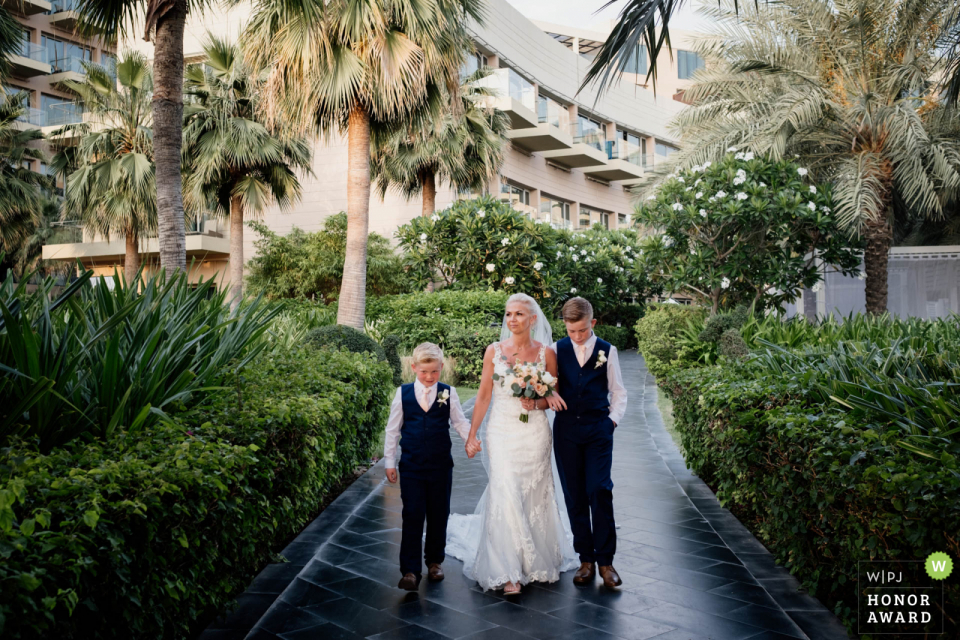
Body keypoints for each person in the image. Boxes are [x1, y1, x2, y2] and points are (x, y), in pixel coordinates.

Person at [446, 293, 579, 595]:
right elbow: (483, 396)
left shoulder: (547, 353)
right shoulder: (493, 350)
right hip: (502, 430)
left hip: (534, 433)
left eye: (519, 314)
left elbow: (553, 397)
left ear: (533, 319)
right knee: (505, 489)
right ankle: (508, 571)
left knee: (533, 492)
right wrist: (472, 433)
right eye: (508, 314)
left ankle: (534, 561)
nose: (512, 319)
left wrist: (537, 402)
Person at [549, 297, 627, 589]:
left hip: (598, 430)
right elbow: (549, 387)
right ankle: (586, 560)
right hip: (566, 432)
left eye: (582, 330)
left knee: (599, 490)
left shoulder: (608, 350)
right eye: (572, 331)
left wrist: (610, 423)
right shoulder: (557, 349)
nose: (577, 336)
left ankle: (606, 562)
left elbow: (619, 392)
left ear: (592, 323)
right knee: (575, 495)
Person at [383, 342, 471, 591]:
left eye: (434, 372)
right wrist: (390, 462)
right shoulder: (403, 393)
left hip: (441, 465)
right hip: (411, 465)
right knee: (412, 514)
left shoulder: (448, 392)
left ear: (441, 368)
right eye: (424, 372)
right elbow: (392, 430)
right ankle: (410, 570)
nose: (430, 377)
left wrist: (471, 440)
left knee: (438, 513)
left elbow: (460, 423)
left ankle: (434, 561)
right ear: (414, 368)